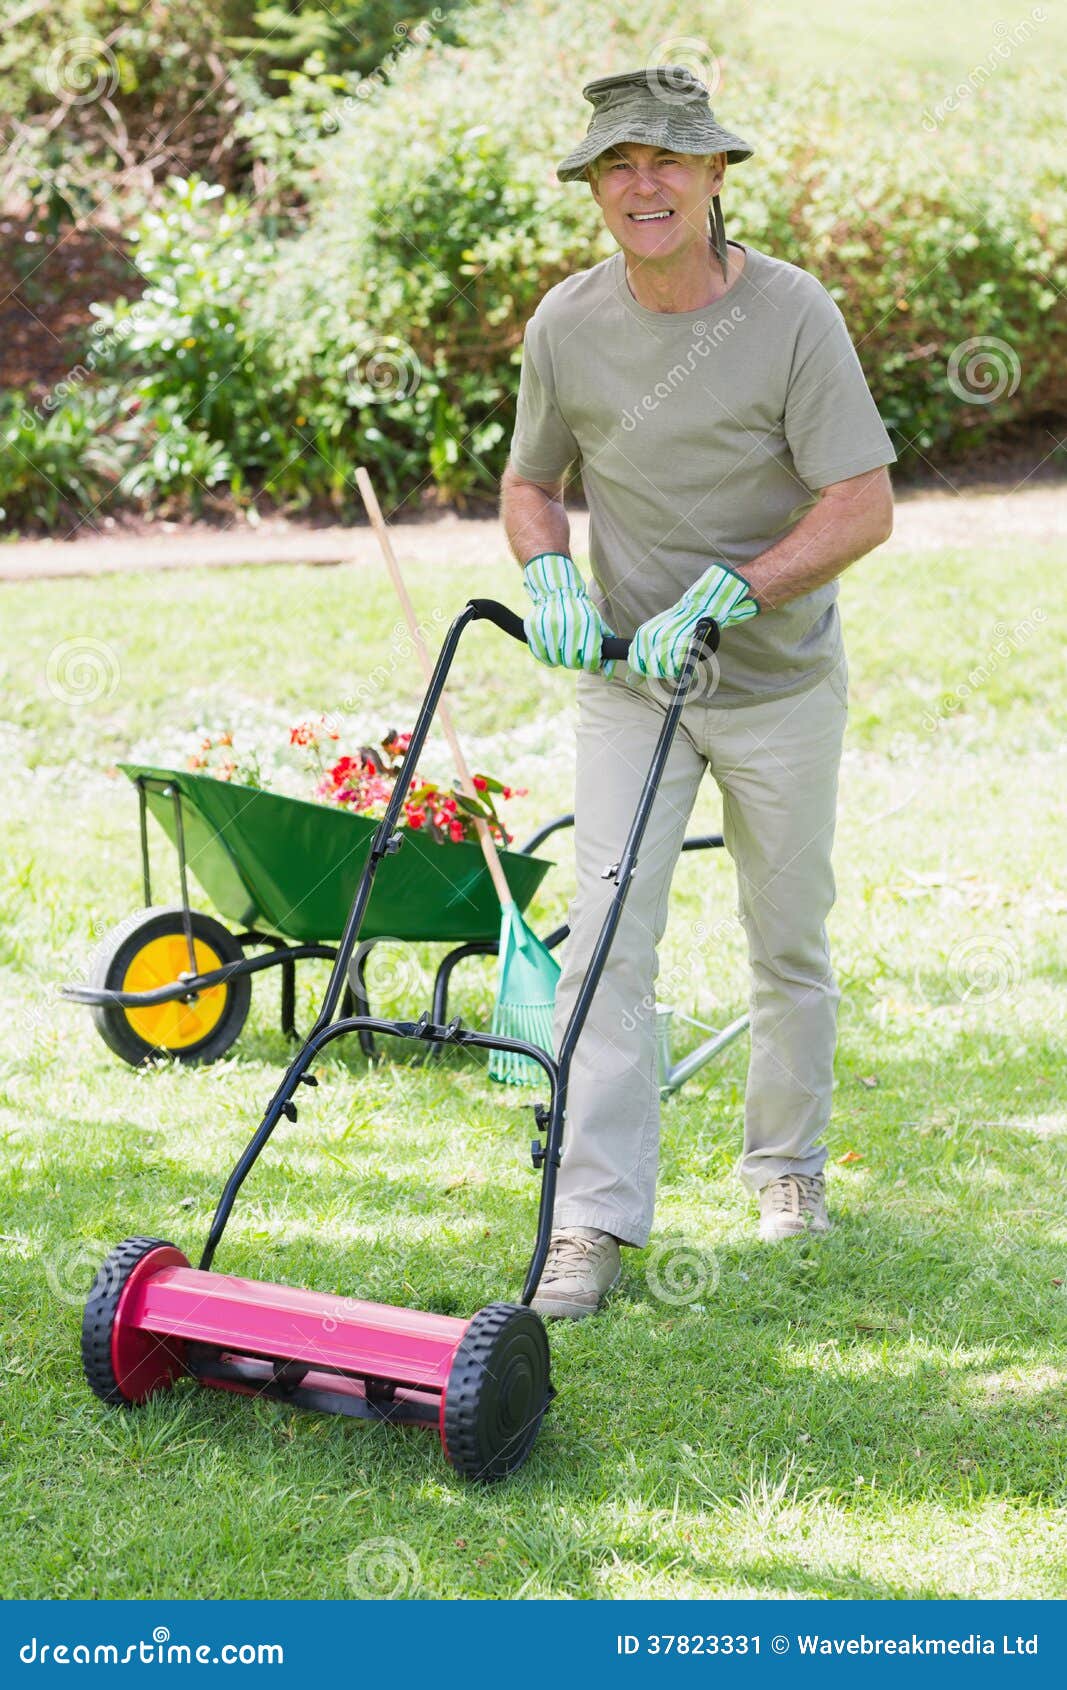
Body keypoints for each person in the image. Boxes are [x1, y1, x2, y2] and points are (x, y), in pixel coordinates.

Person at [500, 66, 896, 1319]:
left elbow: (861, 503)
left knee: (785, 940)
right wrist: (548, 573)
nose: (642, 184)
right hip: (630, 683)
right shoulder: (565, 323)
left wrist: (738, 589)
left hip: (774, 682)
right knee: (604, 941)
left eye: (667, 160)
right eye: (617, 165)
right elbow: (530, 484)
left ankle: (785, 1172)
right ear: (593, 188)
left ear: (717, 174)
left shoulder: (790, 315)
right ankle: (590, 1224)